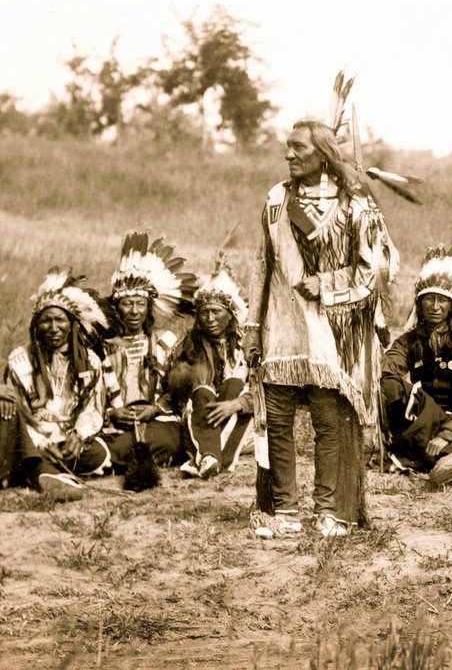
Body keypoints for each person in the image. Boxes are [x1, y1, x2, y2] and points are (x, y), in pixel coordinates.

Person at [244, 113, 399, 538]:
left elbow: (381, 266)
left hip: (333, 331)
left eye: (299, 147)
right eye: (288, 145)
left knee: (329, 421)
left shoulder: (354, 202)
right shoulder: (277, 198)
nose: (288, 154)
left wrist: (328, 283)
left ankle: (330, 510)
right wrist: (252, 325)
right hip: (282, 326)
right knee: (277, 418)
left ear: (324, 154)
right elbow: (262, 265)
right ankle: (283, 510)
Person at [0, 269, 115, 501]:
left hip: (66, 440)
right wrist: (43, 443)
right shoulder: (19, 361)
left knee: (99, 454)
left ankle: (40, 472)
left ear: (71, 324)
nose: (54, 328)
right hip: (32, 438)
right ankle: (46, 474)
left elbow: (92, 410)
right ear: (36, 325)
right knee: (26, 449)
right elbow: (20, 415)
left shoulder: (90, 361)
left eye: (60, 320)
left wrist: (78, 437)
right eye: (47, 320)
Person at [381, 243, 452, 473]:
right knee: (388, 383)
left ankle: (414, 454)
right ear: (419, 304)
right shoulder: (411, 340)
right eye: (429, 299)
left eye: (442, 300)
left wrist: (447, 434)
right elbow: (387, 368)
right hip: (421, 417)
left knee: (447, 464)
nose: (435, 307)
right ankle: (412, 450)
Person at [103, 232, 197, 488]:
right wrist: (113, 412)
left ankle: (127, 460)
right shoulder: (104, 347)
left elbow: (175, 390)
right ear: (116, 307)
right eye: (127, 304)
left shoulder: (165, 341)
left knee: (168, 441)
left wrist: (156, 408)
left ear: (149, 308)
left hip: (158, 419)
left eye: (140, 304)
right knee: (111, 446)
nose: (134, 311)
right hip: (117, 422)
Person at [163, 262, 253, 480]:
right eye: (204, 313)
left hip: (241, 420)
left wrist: (236, 404)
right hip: (199, 419)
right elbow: (180, 397)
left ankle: (203, 457)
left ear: (230, 314)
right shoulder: (188, 347)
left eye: (216, 312)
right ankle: (211, 457)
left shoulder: (247, 346)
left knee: (234, 384)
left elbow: (266, 391)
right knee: (202, 391)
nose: (210, 319)